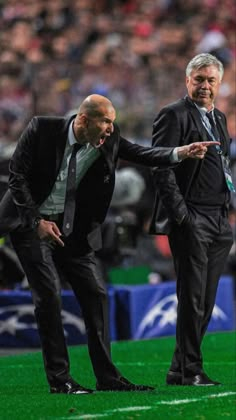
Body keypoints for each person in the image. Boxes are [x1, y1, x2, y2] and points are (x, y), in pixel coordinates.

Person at [0, 94, 215, 395]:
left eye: (113, 123)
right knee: (48, 297)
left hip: (71, 231)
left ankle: (107, 377)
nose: (111, 129)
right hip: (30, 226)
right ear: (84, 120)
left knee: (97, 295)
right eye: (106, 122)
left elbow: (142, 153)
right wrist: (36, 222)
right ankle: (60, 380)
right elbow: (17, 177)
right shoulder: (42, 130)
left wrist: (180, 152)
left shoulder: (108, 141)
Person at [149, 54, 234, 386]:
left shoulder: (220, 117)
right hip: (193, 216)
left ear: (220, 84)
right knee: (193, 297)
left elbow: (221, 166)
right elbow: (160, 166)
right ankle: (190, 369)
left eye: (211, 80)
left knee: (206, 300)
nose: (204, 85)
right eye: (198, 79)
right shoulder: (173, 115)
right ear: (187, 81)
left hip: (218, 218)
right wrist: (181, 215)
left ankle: (180, 368)